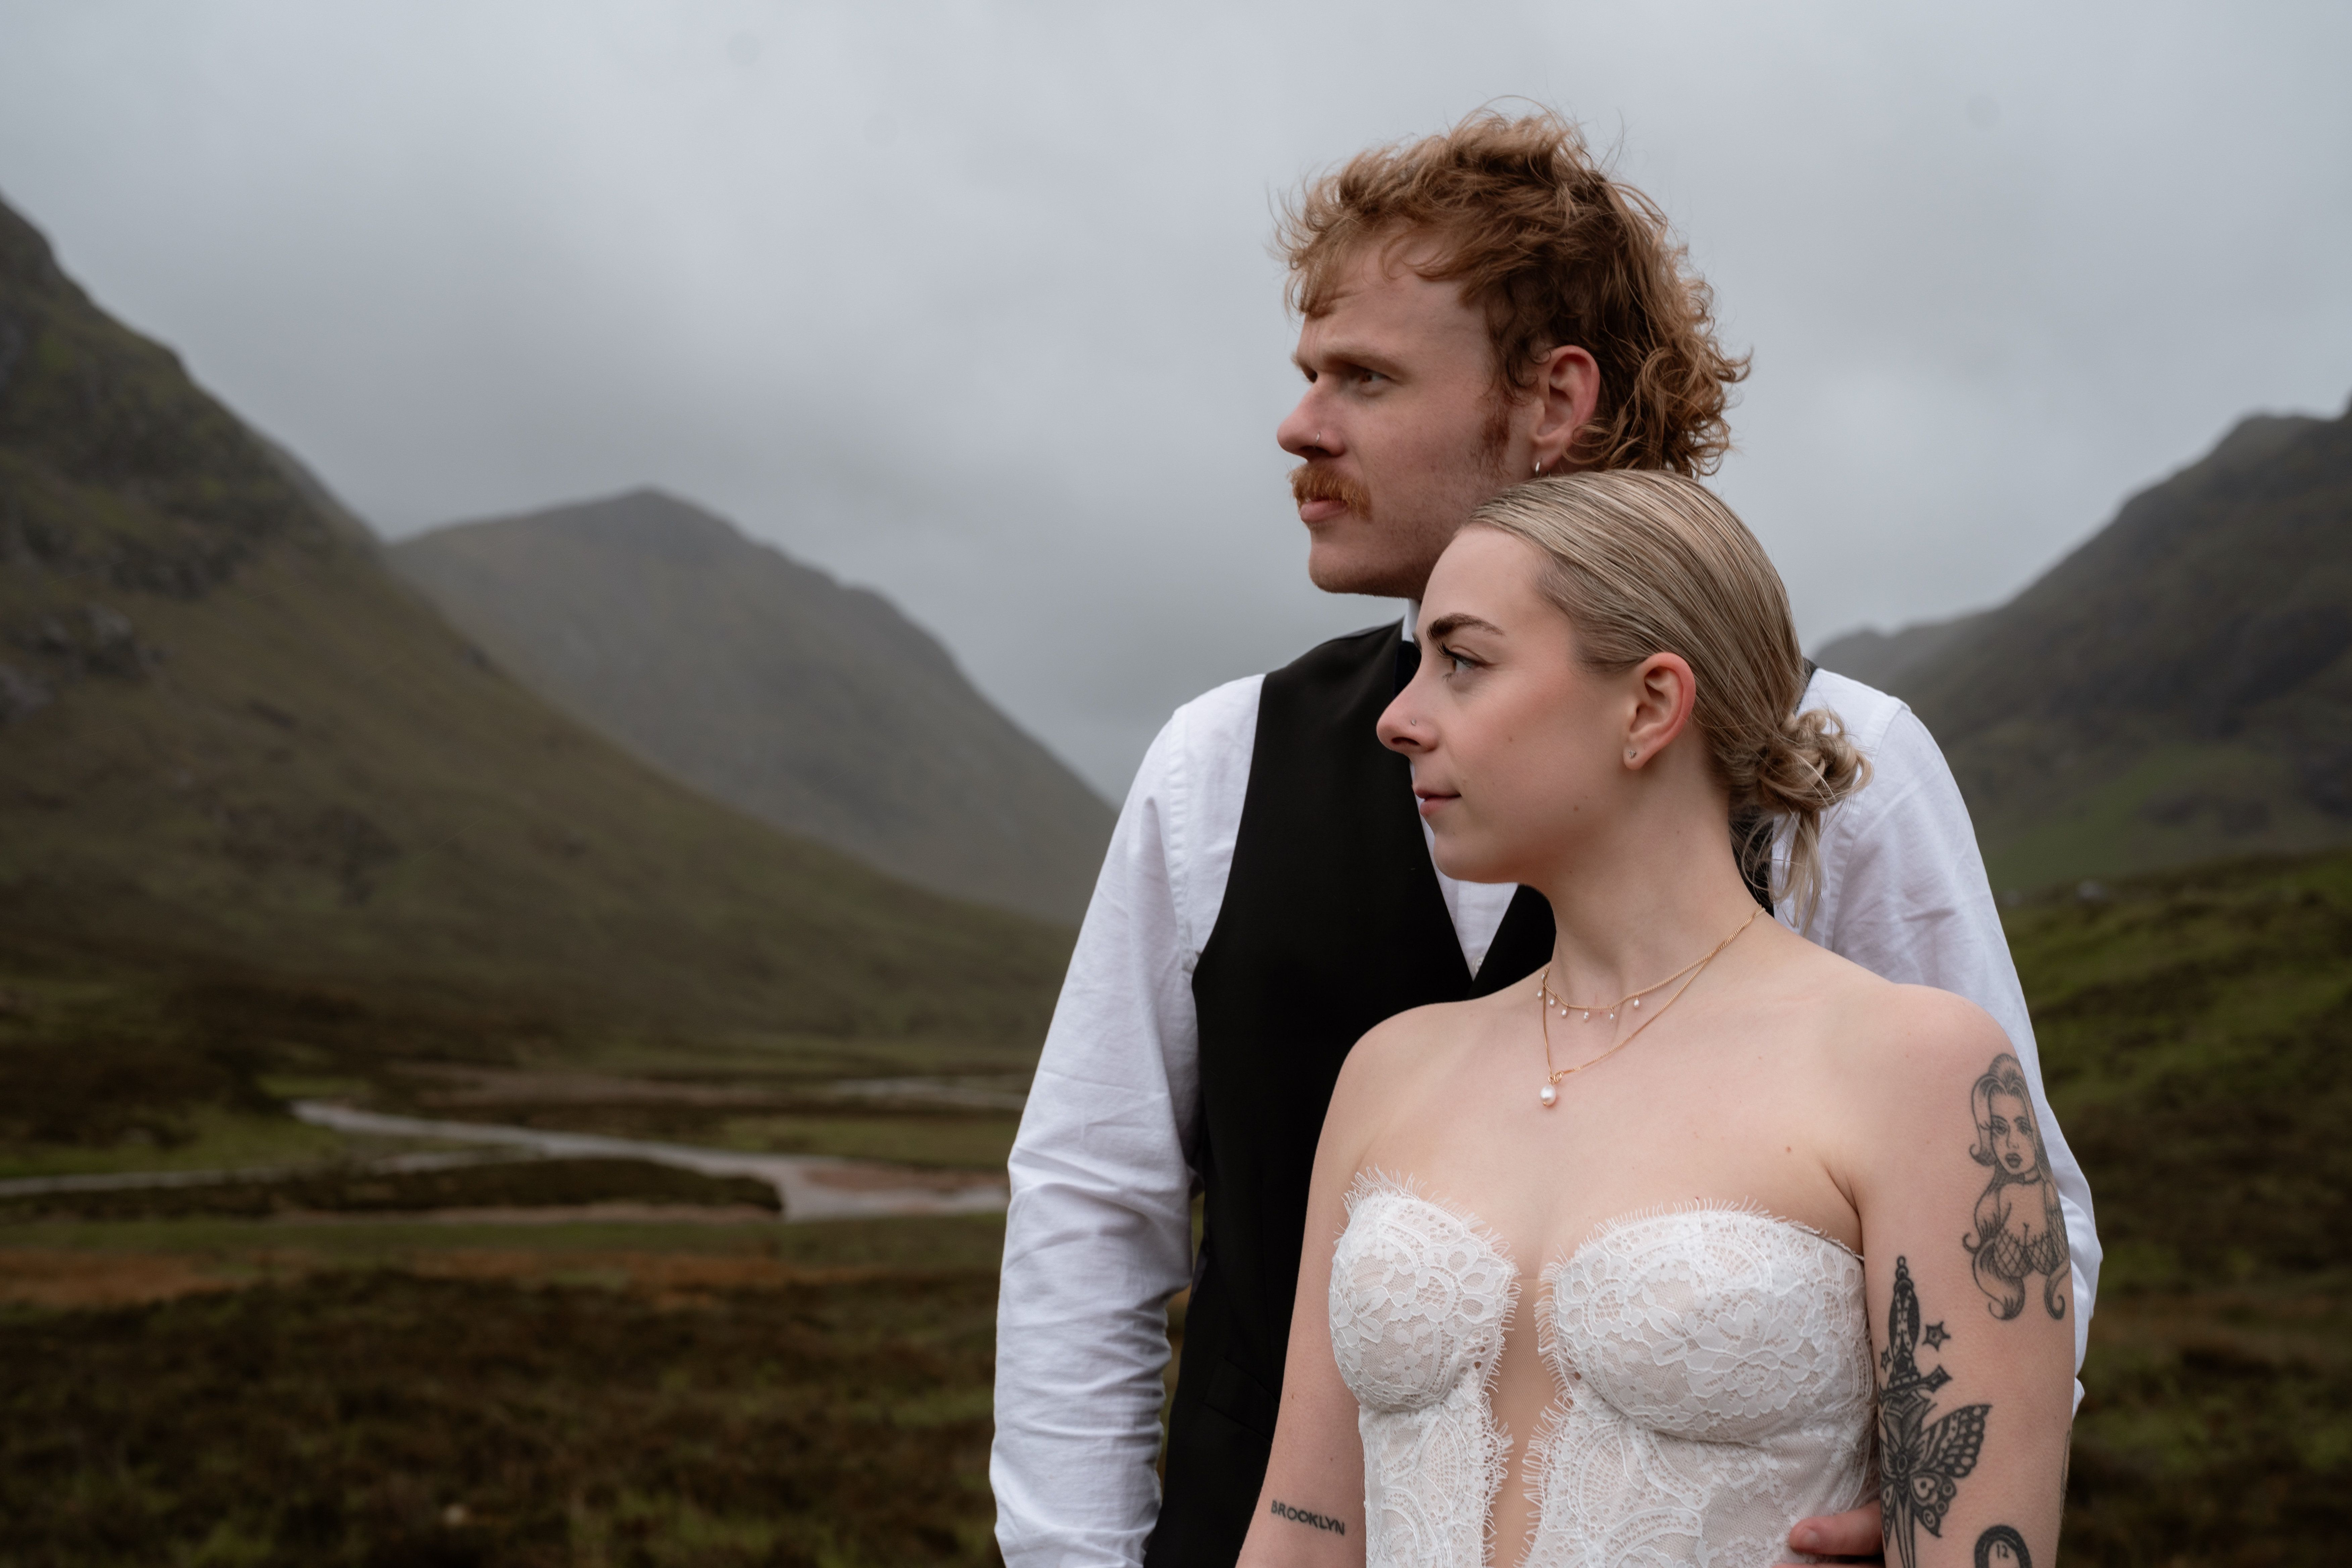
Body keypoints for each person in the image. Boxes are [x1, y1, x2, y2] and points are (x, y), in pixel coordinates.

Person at [991, 108, 2098, 1568]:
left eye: (1365, 378)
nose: (1301, 425)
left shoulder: (1851, 768)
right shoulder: (1219, 761)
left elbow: (2010, 1218)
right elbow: (1094, 1205)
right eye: (1309, 375)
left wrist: (1949, 1491)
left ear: (1555, 399)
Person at [1233, 471, 2073, 1568]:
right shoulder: (1390, 1071)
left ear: (1649, 706)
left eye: (1465, 663)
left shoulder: (1917, 1069)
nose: (1398, 718)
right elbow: (1306, 1534)